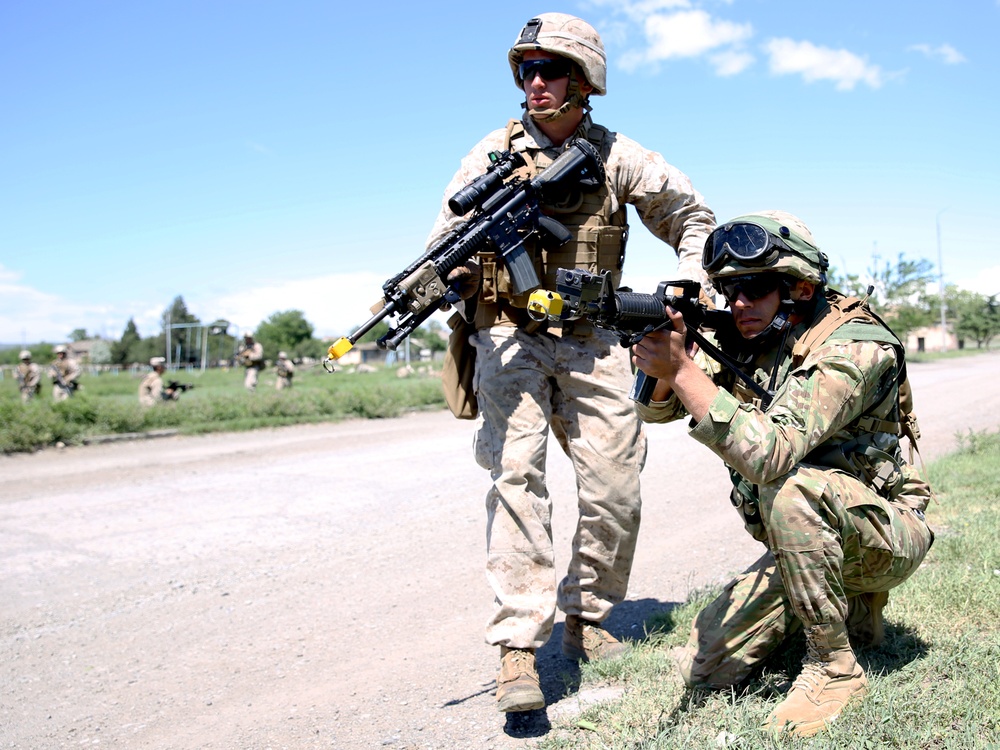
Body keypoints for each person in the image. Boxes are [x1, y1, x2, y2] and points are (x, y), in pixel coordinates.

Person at [425, 12, 716, 713]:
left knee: (617, 480)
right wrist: (451, 280)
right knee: (517, 476)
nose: (534, 82)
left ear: (585, 82)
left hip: (591, 338)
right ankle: (518, 647)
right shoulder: (487, 158)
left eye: (550, 69)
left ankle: (587, 617)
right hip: (510, 338)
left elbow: (691, 217)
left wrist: (690, 283)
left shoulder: (617, 156)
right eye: (526, 70)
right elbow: (441, 249)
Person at [631, 211, 934, 737]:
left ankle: (834, 669)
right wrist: (667, 364)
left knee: (790, 484)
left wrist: (683, 369)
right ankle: (847, 604)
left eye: (754, 288)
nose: (739, 304)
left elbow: (768, 455)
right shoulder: (759, 337)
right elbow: (657, 412)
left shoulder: (854, 345)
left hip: (885, 531)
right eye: (730, 292)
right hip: (811, 532)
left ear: (798, 288)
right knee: (704, 668)